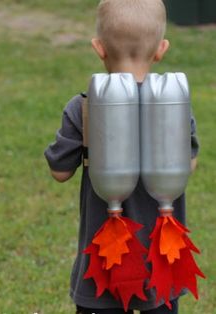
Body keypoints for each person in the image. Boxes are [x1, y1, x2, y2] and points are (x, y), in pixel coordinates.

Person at [44, 0, 199, 313]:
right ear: (161, 49)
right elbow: (189, 165)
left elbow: (60, 172)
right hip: (161, 259)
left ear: (99, 48)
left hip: (105, 262)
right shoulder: (175, 103)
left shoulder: (84, 107)